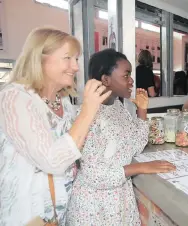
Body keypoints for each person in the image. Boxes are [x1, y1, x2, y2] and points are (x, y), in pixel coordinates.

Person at [0, 27, 110, 225]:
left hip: (59, 212)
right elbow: (52, 161)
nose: (75, 67)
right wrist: (88, 110)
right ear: (39, 58)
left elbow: (75, 147)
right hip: (26, 215)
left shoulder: (63, 100)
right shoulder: (15, 98)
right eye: (67, 58)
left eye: (76, 59)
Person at [65, 49, 176, 225]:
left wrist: (142, 110)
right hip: (95, 208)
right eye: (126, 75)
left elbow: (135, 145)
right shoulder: (87, 116)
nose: (132, 80)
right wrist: (140, 167)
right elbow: (94, 175)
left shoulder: (117, 107)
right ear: (106, 79)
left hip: (119, 201)